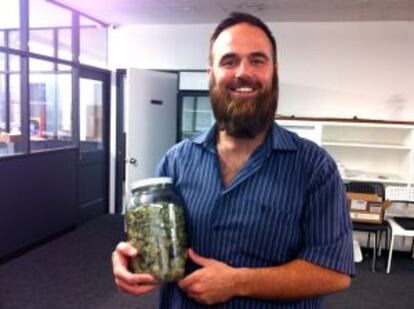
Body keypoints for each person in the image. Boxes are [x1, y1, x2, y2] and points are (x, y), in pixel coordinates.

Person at [112, 11, 355, 308]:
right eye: (229, 61)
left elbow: (335, 272)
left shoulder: (315, 169)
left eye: (257, 60)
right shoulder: (175, 162)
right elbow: (149, 242)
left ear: (273, 71)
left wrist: (238, 282)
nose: (243, 72)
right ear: (210, 73)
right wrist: (127, 258)